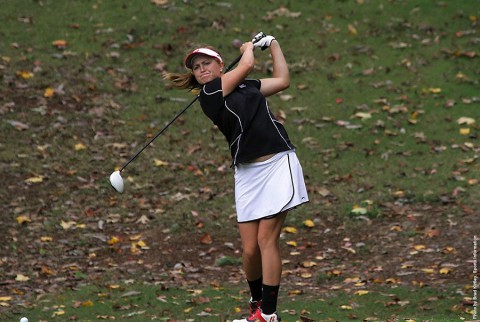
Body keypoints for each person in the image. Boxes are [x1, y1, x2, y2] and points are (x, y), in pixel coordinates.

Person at [163, 33, 309, 322]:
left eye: (207, 63)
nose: (201, 69)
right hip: (247, 174)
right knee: (249, 249)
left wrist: (274, 45)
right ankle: (256, 303)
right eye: (196, 67)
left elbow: (282, 81)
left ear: (219, 66)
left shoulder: (246, 87)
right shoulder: (209, 95)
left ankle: (267, 315)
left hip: (278, 164)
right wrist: (247, 50)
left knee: (267, 240)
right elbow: (248, 65)